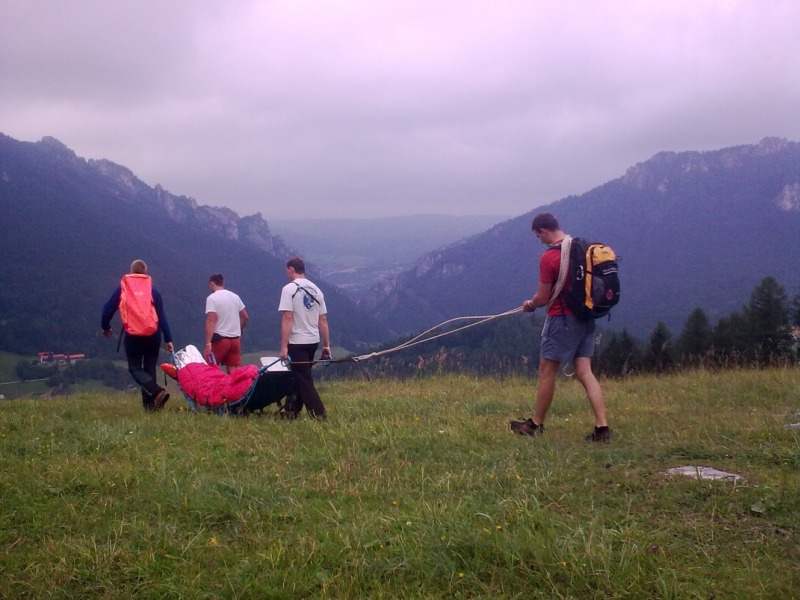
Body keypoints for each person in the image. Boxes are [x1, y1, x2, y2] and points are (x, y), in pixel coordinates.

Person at [509, 213, 611, 441]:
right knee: (585, 371)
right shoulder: (581, 248)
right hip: (586, 317)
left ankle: (536, 425)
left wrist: (530, 305)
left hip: (561, 319)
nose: (540, 241)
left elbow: (543, 298)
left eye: (538, 237)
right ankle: (602, 428)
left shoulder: (550, 257)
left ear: (544, 231)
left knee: (546, 371)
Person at [101, 259, 174, 411]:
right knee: (150, 367)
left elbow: (107, 310)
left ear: (131, 272)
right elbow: (161, 315)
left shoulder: (124, 288)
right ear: (145, 273)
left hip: (133, 335)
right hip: (153, 334)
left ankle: (156, 392)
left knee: (135, 368)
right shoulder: (153, 289)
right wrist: (168, 339)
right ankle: (151, 408)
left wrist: (106, 327)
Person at [278, 257, 331, 419]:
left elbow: (287, 317)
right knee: (298, 376)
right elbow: (323, 320)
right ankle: (290, 412)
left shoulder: (289, 289)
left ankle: (319, 415)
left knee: (304, 379)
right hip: (313, 341)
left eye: (287, 271)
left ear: (291, 270)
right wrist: (326, 345)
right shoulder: (317, 290)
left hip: (297, 341)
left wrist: (284, 346)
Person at [204, 273, 249, 372]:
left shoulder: (212, 298)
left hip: (221, 339)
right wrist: (240, 329)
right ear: (223, 283)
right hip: (235, 340)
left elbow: (211, 321)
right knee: (234, 371)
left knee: (210, 368)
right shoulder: (235, 296)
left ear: (212, 284)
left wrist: (208, 343)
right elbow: (245, 317)